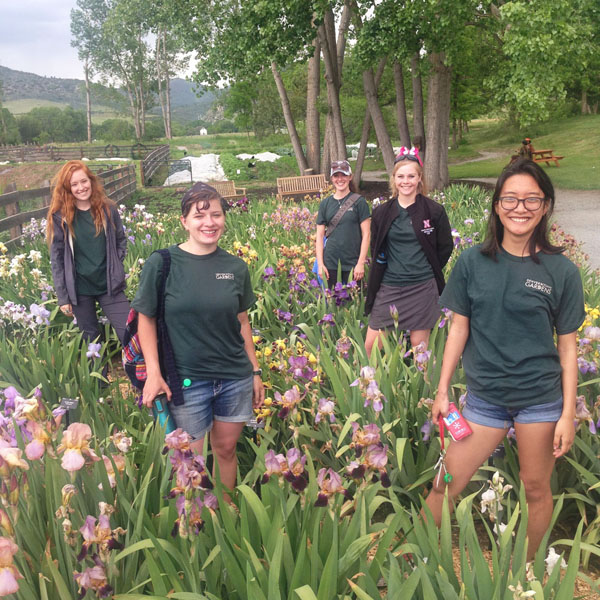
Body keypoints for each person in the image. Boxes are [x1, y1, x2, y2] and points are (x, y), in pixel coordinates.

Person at [426, 158, 584, 559]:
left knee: (535, 488)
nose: (520, 207)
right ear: (497, 205)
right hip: (484, 401)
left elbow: (567, 347)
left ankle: (526, 570)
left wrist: (568, 413)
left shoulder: (560, 271)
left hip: (540, 401)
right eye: (511, 198)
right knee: (445, 483)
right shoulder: (472, 263)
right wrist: (442, 391)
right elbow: (458, 329)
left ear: (545, 206)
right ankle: (418, 559)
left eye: (532, 199)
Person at [132, 182, 264, 492]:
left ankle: (226, 514)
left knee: (227, 450)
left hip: (234, 376)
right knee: (190, 461)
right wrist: (153, 373)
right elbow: (145, 319)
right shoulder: (162, 263)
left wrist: (255, 370)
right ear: (184, 222)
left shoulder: (236, 267)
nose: (209, 223)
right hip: (188, 381)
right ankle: (196, 527)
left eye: (216, 215)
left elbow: (241, 321)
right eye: (199, 216)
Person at [364, 147, 453, 356]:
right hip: (390, 286)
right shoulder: (381, 212)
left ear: (419, 179)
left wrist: (425, 268)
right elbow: (376, 248)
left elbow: (445, 247)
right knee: (372, 346)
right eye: (401, 176)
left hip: (422, 286)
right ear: (394, 179)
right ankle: (375, 387)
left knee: (419, 349)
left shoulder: (433, 211)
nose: (406, 181)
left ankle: (423, 388)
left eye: (411, 176)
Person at [47, 160, 129, 345]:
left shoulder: (108, 209)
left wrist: (115, 263)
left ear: (91, 181)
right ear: (67, 188)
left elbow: (120, 240)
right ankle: (98, 373)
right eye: (74, 184)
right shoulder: (61, 217)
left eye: (84, 181)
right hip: (79, 289)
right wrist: (63, 297)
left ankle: (138, 372)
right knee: (91, 340)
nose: (81, 187)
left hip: (109, 285)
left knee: (129, 332)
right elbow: (57, 259)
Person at [315, 159, 371, 289]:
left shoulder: (359, 202)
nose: (340, 179)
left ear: (350, 177)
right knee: (333, 304)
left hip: (353, 262)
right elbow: (319, 236)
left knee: (355, 304)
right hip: (330, 262)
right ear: (331, 178)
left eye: (344, 175)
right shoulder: (325, 204)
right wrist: (321, 264)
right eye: (336, 175)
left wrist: (361, 263)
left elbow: (367, 234)